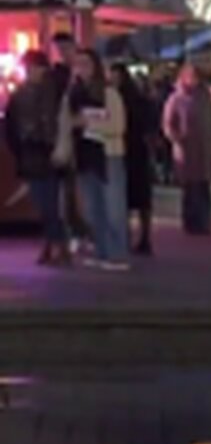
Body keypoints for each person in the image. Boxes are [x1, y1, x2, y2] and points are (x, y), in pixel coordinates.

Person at [5, 51, 68, 265]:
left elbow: (12, 127)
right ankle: (54, 243)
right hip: (35, 152)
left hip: (43, 152)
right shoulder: (38, 93)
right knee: (44, 203)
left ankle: (55, 244)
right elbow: (11, 127)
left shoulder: (42, 92)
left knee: (48, 203)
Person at [68, 49, 128, 271]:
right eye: (78, 64)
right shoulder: (74, 94)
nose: (82, 69)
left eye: (86, 63)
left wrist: (89, 124)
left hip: (108, 155)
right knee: (93, 209)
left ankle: (117, 254)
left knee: (113, 208)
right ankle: (102, 251)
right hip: (85, 157)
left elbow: (118, 126)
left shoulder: (109, 93)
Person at [163, 62, 211, 235]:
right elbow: (168, 124)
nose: (193, 80)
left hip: (205, 148)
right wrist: (177, 139)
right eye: (190, 76)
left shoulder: (206, 96)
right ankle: (191, 222)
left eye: (195, 76)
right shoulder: (176, 98)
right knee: (190, 187)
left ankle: (205, 221)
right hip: (186, 149)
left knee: (204, 186)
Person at [110, 63, 155, 255]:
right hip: (137, 150)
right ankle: (143, 237)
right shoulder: (139, 100)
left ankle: (127, 236)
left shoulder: (116, 99)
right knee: (140, 197)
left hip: (126, 150)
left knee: (126, 196)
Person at [49, 31, 86, 248]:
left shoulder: (81, 74)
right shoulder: (55, 77)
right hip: (65, 136)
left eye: (66, 49)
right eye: (60, 50)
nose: (63, 54)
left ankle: (79, 229)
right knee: (68, 189)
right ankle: (74, 230)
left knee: (78, 188)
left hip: (83, 137)